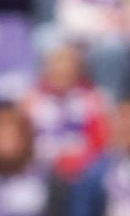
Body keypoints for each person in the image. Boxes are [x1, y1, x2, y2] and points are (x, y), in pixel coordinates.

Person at [23, 41, 112, 181]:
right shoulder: (31, 101)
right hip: (41, 170)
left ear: (78, 72)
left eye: (67, 72)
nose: (62, 77)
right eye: (57, 71)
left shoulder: (93, 100)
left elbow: (101, 142)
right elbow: (24, 140)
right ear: (47, 71)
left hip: (83, 171)